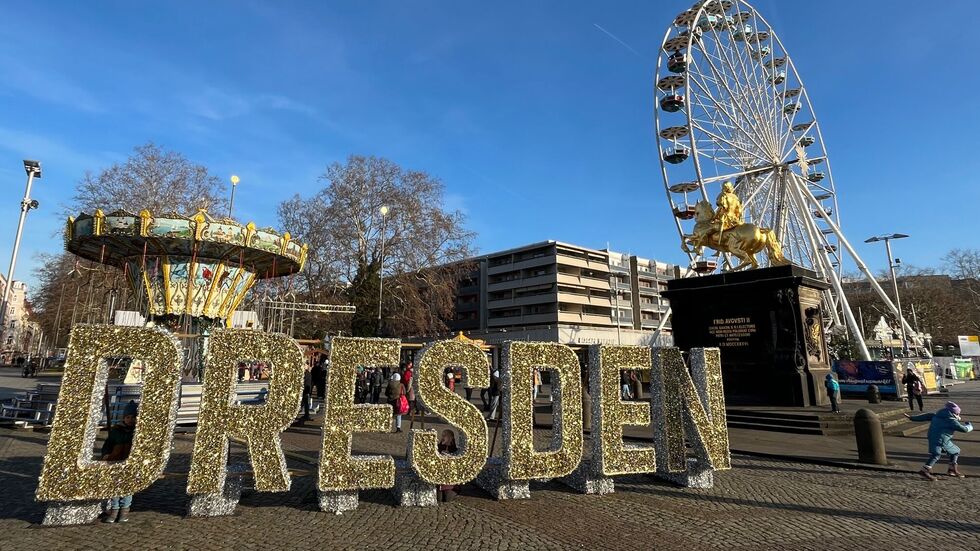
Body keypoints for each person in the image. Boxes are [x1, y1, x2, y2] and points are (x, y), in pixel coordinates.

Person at [906, 401, 973, 480]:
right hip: (942, 440)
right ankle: (925, 471)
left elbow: (925, 416)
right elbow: (964, 429)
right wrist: (969, 425)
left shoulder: (936, 416)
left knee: (942, 453)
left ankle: (951, 470)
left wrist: (912, 418)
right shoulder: (952, 421)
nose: (958, 415)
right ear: (954, 413)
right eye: (958, 413)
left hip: (933, 437)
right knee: (946, 453)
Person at [101, 400, 138, 523]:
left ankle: (124, 510)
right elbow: (108, 444)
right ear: (124, 417)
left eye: (133, 417)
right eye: (128, 417)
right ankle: (115, 509)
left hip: (128, 462)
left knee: (127, 487)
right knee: (115, 486)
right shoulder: (116, 431)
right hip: (115, 461)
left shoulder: (137, 433)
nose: (130, 420)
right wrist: (106, 454)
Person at [438, 429, 459, 502]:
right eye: (442, 435)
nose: (443, 437)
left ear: (451, 438)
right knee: (439, 498)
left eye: (445, 435)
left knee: (447, 499)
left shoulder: (455, 450)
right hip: (440, 478)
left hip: (449, 479)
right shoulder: (438, 447)